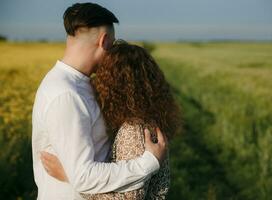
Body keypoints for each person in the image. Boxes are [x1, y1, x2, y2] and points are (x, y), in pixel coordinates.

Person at [32, 3, 167, 200]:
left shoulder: (80, 85)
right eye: (112, 45)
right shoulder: (66, 94)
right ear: (104, 41)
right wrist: (148, 163)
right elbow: (83, 177)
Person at [41, 41, 181, 199]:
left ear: (113, 86)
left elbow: (129, 198)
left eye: (101, 77)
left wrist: (71, 178)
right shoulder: (147, 121)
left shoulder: (133, 130)